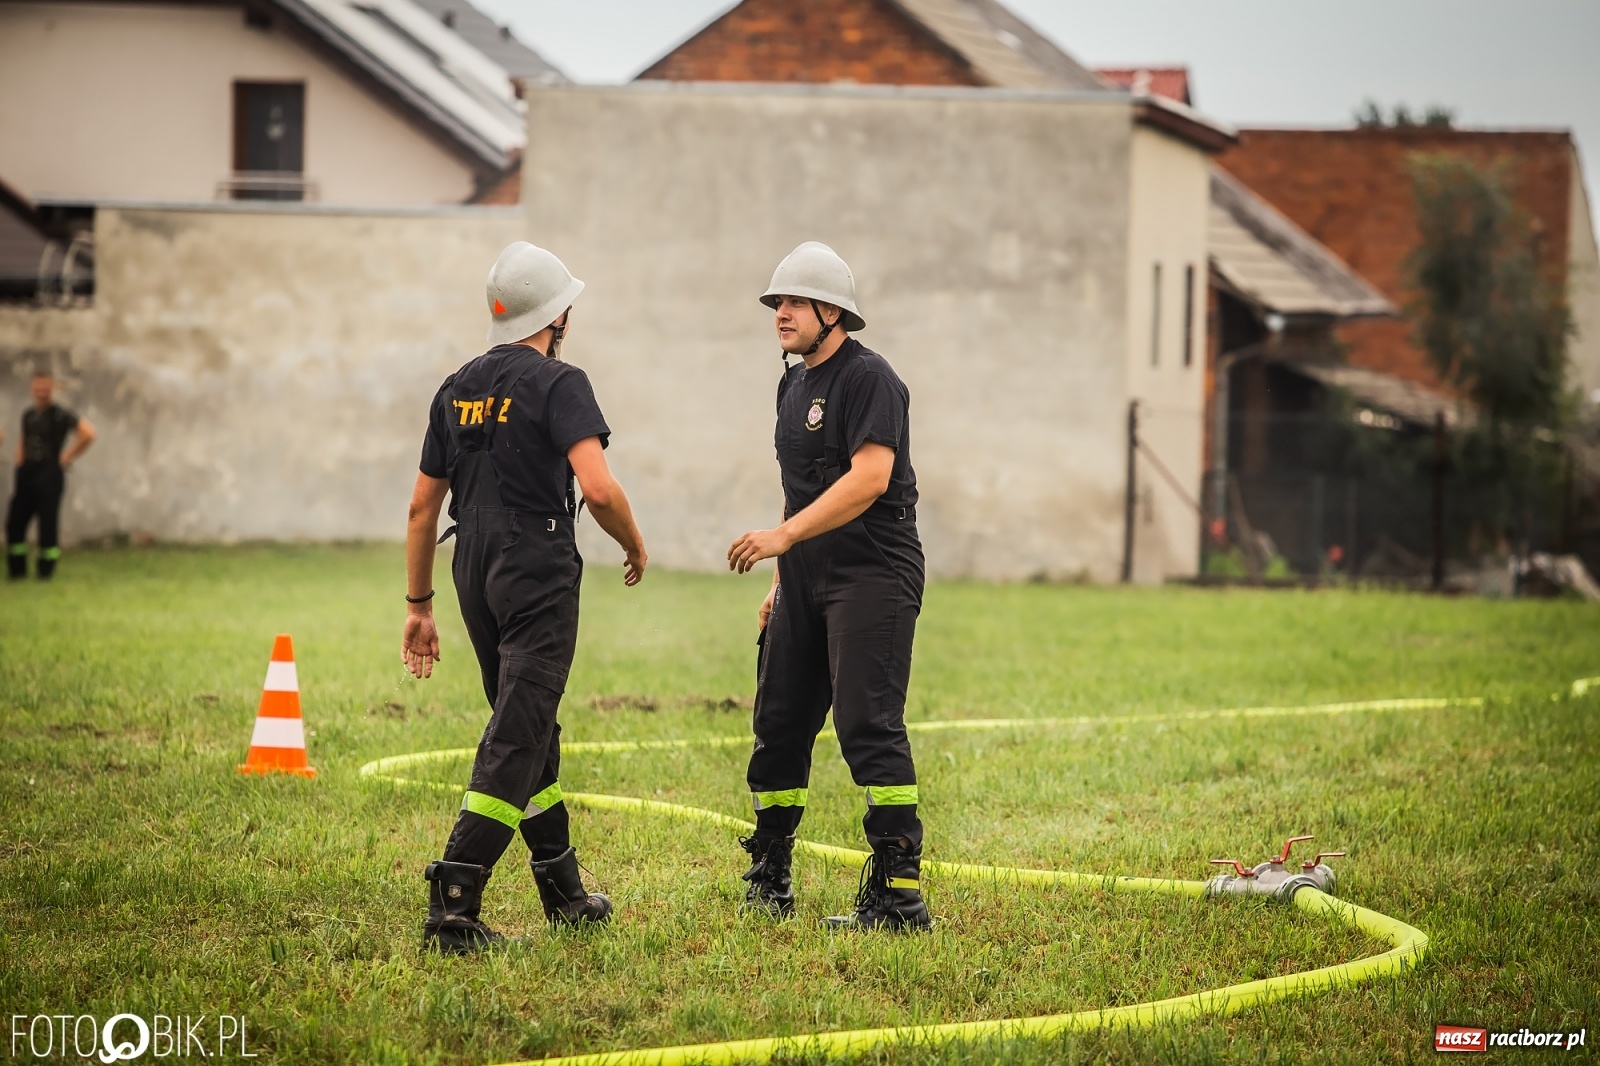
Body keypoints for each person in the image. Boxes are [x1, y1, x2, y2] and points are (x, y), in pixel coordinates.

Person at [402, 241, 648, 954]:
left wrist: (419, 604)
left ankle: (565, 893)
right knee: (517, 732)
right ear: (559, 313)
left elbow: (423, 509)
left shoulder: (456, 387)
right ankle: (454, 902)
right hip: (535, 565)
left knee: (529, 724)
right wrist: (632, 542)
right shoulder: (559, 383)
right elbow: (597, 487)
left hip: (470, 565)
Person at [728, 242, 931, 932]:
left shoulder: (870, 379)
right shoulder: (791, 385)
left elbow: (870, 479)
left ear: (832, 311)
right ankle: (771, 872)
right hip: (806, 574)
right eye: (775, 302)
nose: (779, 313)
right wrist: (784, 577)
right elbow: (801, 489)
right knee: (779, 720)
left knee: (865, 723)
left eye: (792, 302)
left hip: (873, 568)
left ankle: (899, 895)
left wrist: (781, 539)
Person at [7, 370, 96, 580]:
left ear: (52, 388)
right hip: (27, 473)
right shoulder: (28, 415)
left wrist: (67, 457)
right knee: (15, 522)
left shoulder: (61, 414)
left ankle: (45, 571)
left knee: (47, 523)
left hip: (49, 475)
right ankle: (17, 570)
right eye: (38, 388)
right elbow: (24, 440)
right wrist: (19, 461)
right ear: (32, 388)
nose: (41, 392)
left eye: (45, 388)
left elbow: (89, 433)